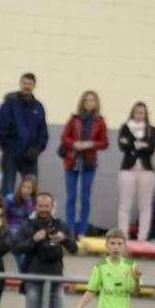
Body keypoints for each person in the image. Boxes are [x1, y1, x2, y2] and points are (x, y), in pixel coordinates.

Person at [13, 192, 78, 308]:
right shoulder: (28, 225)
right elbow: (16, 247)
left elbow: (74, 248)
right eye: (40, 206)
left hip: (55, 281)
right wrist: (34, 240)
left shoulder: (61, 225)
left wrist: (63, 239)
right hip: (33, 280)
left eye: (46, 206)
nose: (43, 209)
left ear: (52, 206)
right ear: (36, 206)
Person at [61, 90, 109, 238]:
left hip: (89, 163)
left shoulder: (100, 121)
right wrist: (74, 143)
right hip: (71, 162)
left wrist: (90, 144)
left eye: (92, 100)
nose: (89, 103)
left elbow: (105, 143)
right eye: (86, 100)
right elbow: (64, 137)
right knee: (71, 197)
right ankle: (69, 230)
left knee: (85, 197)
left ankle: (81, 231)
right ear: (82, 103)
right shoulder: (74, 119)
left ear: (96, 103)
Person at [0, 73, 48, 195]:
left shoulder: (38, 107)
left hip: (30, 157)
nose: (27, 86)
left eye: (30, 84)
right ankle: (5, 214)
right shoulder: (9, 104)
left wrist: (37, 149)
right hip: (11, 155)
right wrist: (7, 147)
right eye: (25, 83)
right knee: (8, 191)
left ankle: (29, 215)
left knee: (31, 192)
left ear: (34, 86)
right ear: (20, 83)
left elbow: (43, 132)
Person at [117, 102, 155, 241]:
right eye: (137, 112)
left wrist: (133, 145)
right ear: (132, 113)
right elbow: (123, 145)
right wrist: (140, 145)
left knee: (145, 205)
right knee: (124, 204)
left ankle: (142, 237)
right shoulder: (125, 127)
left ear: (145, 114)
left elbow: (151, 147)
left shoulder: (151, 129)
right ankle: (123, 235)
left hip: (146, 170)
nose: (139, 115)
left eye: (142, 113)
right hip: (128, 169)